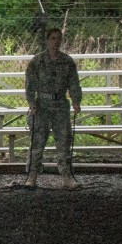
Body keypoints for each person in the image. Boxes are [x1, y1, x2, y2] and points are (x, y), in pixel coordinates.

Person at [24, 27, 83, 189]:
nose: (56, 42)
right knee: (37, 143)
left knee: (64, 142)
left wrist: (76, 101)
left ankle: (66, 177)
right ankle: (32, 176)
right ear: (47, 41)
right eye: (53, 38)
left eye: (58, 39)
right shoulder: (37, 61)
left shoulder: (67, 61)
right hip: (42, 105)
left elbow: (74, 83)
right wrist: (31, 102)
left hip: (60, 106)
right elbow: (29, 84)